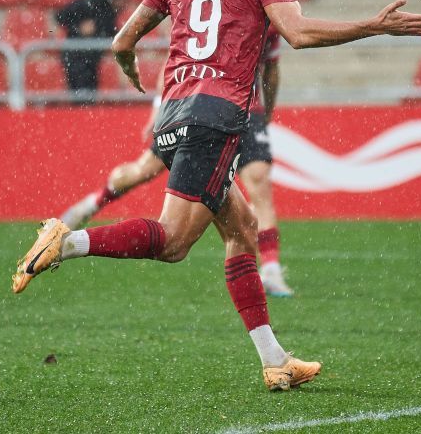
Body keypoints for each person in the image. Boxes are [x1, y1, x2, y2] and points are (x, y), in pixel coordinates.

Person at [11, 0, 421, 390]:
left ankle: (275, 360)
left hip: (174, 115)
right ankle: (67, 241)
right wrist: (373, 26)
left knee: (242, 229)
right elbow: (296, 34)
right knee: (172, 243)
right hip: (216, 118)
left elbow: (123, 40)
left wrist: (131, 72)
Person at [61, 25, 294, 296]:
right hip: (199, 109)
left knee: (260, 185)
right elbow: (175, 61)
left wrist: (265, 115)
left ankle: (272, 270)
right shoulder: (222, 2)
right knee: (143, 171)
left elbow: (271, 69)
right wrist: (159, 110)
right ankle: (93, 202)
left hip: (246, 110)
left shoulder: (271, 17)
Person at [56, 0, 131, 95]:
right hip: (76, 58)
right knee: (80, 95)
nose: (123, 2)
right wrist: (78, 27)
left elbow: (109, 32)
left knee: (89, 96)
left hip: (92, 59)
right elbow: (60, 17)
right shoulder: (88, 2)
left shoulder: (110, 10)